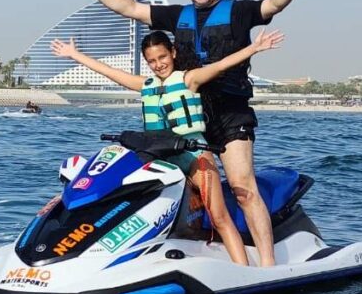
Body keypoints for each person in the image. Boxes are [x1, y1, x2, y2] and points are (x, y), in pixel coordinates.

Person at [65, 0, 315, 266]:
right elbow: (129, 8)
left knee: (242, 188)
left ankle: (267, 267)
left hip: (229, 114)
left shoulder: (238, 11)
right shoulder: (176, 16)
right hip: (188, 120)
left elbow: (273, 4)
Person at [48, 29, 283, 266]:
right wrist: (74, 55)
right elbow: (110, 72)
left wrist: (254, 48)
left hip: (195, 156)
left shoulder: (189, 79)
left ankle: (242, 270)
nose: (158, 64)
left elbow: (222, 65)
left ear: (173, 53)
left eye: (162, 57)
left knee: (219, 218)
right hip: (160, 159)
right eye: (152, 61)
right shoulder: (145, 85)